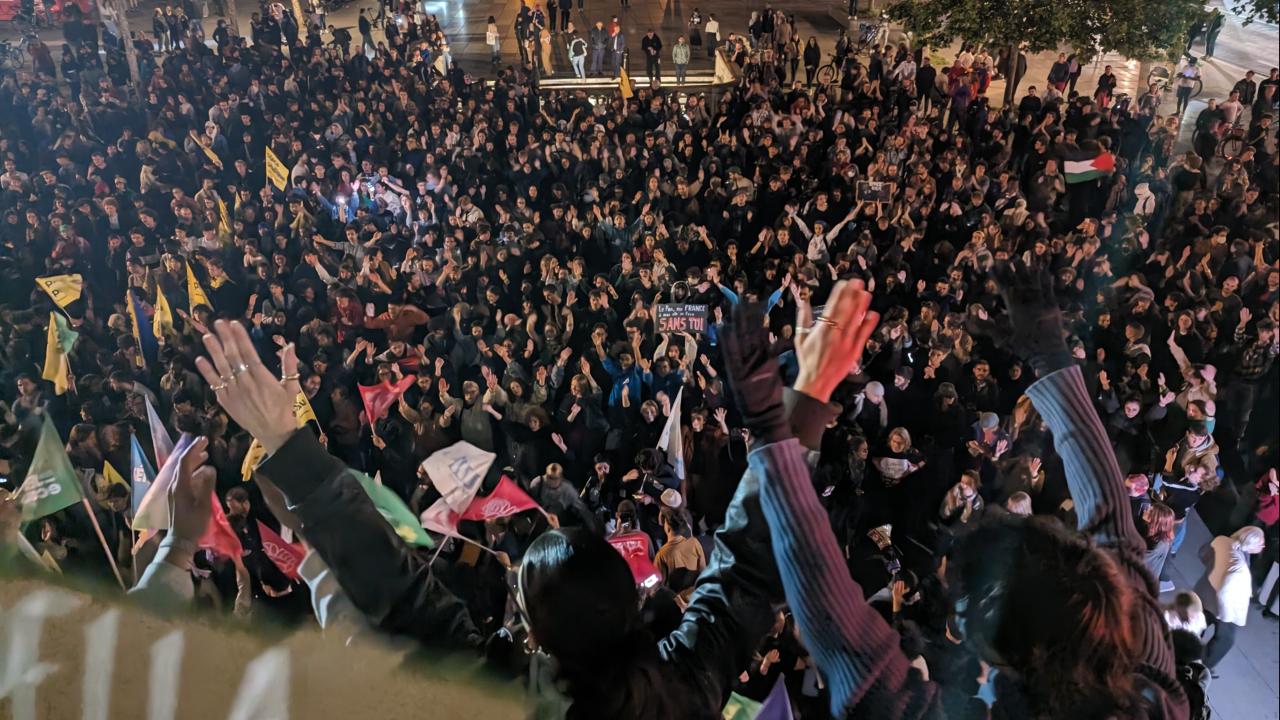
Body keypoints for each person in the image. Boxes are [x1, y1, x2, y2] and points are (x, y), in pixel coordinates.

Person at [753, 267, 1188, 718]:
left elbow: (1109, 519)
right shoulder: (1138, 666)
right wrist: (1052, 359)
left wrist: (810, 387)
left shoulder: (1138, 652)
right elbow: (1112, 523)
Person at [1200, 527, 1265, 668]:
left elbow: (1203, 554)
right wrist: (1227, 616)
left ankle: (1184, 653)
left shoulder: (1221, 541)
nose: (1263, 546)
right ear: (1250, 544)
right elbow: (1224, 593)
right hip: (1224, 608)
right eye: (1260, 543)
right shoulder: (1240, 567)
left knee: (1197, 626)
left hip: (1205, 593)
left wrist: (1213, 571)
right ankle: (1204, 667)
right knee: (1225, 640)